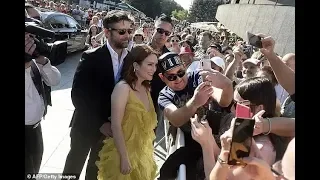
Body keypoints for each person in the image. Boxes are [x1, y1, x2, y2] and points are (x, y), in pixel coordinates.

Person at [62, 10, 134, 180]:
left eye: (130, 31)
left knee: (95, 172)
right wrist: (100, 123)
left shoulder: (131, 60)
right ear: (107, 32)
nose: (127, 36)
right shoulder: (91, 57)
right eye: (122, 32)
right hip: (85, 126)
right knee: (73, 168)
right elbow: (78, 96)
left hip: (111, 131)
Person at [96, 45, 158, 180]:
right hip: (122, 155)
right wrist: (124, 158)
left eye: (155, 65)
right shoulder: (123, 88)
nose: (154, 69)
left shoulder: (146, 88)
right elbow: (116, 126)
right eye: (150, 64)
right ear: (136, 65)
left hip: (143, 154)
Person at [25, 32, 61, 179]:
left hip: (35, 129)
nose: (30, 40)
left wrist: (43, 61)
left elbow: (55, 80)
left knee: (34, 169)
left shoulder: (35, 61)